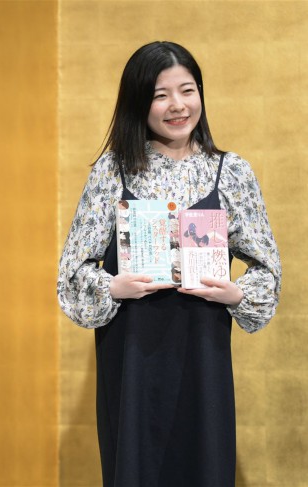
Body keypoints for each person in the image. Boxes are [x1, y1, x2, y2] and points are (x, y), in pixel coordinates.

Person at [57, 41, 281, 486]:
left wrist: (236, 293)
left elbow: (266, 269)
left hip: (203, 356)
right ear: (138, 102)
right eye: (161, 95)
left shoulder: (232, 171)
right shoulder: (113, 170)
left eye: (187, 90)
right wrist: (113, 287)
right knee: (134, 466)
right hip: (131, 357)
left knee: (204, 464)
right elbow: (73, 274)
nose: (177, 105)